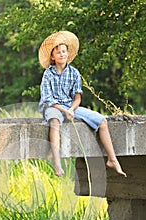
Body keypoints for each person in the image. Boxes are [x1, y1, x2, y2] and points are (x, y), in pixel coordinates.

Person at [38, 31, 127, 177]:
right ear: (52, 56)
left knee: (102, 122)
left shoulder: (74, 73)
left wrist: (71, 109)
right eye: (58, 52)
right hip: (53, 107)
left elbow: (77, 98)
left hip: (69, 106)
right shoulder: (48, 74)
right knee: (54, 121)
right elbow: (48, 99)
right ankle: (57, 164)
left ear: (68, 54)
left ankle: (112, 159)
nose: (62, 54)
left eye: (64, 51)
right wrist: (64, 111)